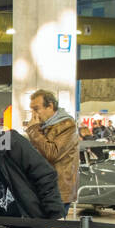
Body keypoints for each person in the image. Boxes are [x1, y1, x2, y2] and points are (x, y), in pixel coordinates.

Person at [24, 89, 80, 217]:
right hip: (41, 187)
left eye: (36, 109)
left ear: (50, 106)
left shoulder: (67, 125)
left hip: (58, 190)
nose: (34, 114)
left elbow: (52, 153)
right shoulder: (42, 127)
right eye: (31, 110)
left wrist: (33, 130)